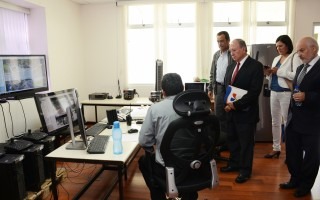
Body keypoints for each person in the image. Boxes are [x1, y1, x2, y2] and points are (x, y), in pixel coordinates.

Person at [138, 73, 199, 200]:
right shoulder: (196, 107)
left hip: (167, 167)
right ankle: (189, 195)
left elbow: (144, 141)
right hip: (194, 164)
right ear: (183, 88)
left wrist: (153, 148)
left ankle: (159, 196)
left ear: (163, 92)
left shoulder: (155, 109)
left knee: (144, 162)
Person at [279, 37, 320, 198]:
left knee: (311, 156)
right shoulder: (300, 69)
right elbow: (296, 89)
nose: (299, 54)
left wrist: (307, 97)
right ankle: (294, 179)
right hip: (294, 119)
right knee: (292, 153)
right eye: (298, 51)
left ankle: (305, 185)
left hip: (313, 122)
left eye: (302, 50)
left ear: (314, 49)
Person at [220, 39, 264, 184]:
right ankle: (234, 164)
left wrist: (235, 105)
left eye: (234, 50)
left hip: (246, 112)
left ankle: (245, 171)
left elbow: (254, 92)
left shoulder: (256, 66)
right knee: (232, 139)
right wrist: (227, 104)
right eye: (231, 50)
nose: (231, 53)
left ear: (244, 49)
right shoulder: (231, 66)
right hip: (231, 111)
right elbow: (228, 87)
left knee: (246, 144)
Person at [264, 35, 302, 159]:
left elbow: (297, 75)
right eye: (277, 46)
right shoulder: (276, 58)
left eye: (281, 45)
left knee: (287, 122)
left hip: (286, 93)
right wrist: (268, 73)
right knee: (275, 122)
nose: (278, 48)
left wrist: (278, 71)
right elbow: (273, 75)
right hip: (274, 92)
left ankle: (290, 153)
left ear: (287, 45)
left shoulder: (294, 57)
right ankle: (276, 148)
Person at [208, 31, 234, 153]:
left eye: (222, 41)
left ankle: (231, 142)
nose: (220, 43)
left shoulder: (232, 54)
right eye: (218, 41)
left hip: (229, 88)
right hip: (218, 88)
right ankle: (223, 142)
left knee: (230, 115)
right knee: (219, 116)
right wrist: (210, 88)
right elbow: (212, 73)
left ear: (228, 41)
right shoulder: (216, 55)